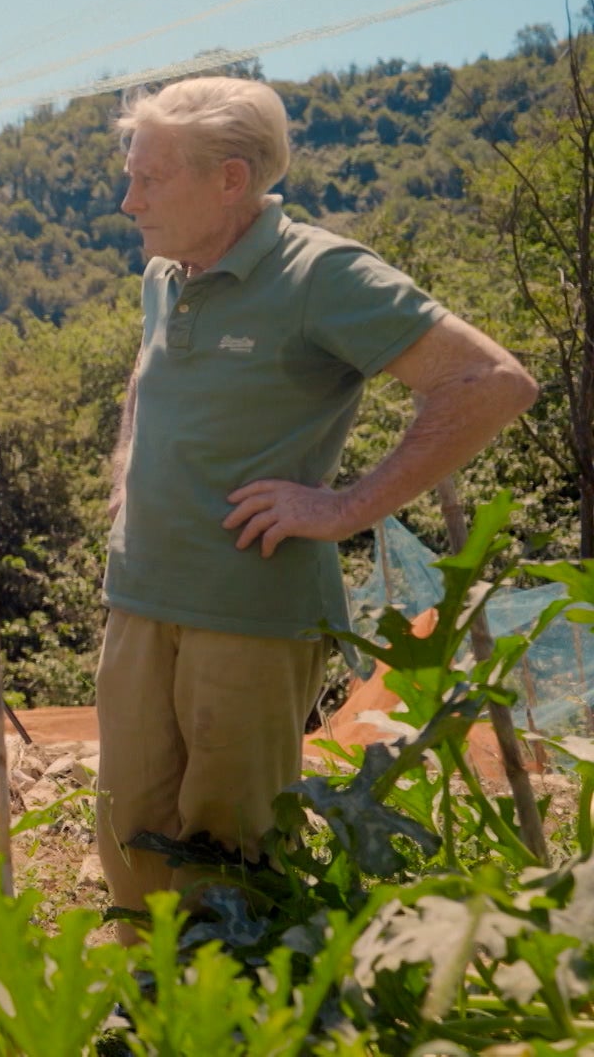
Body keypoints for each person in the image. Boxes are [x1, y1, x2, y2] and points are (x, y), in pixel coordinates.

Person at [97, 77, 538, 936]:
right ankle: (146, 1015)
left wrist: (344, 508)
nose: (128, 200)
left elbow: (489, 383)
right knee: (128, 838)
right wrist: (126, 499)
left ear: (231, 178)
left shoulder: (319, 272)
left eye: (151, 179)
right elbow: (147, 398)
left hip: (249, 612)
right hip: (140, 599)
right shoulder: (164, 275)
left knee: (233, 855)